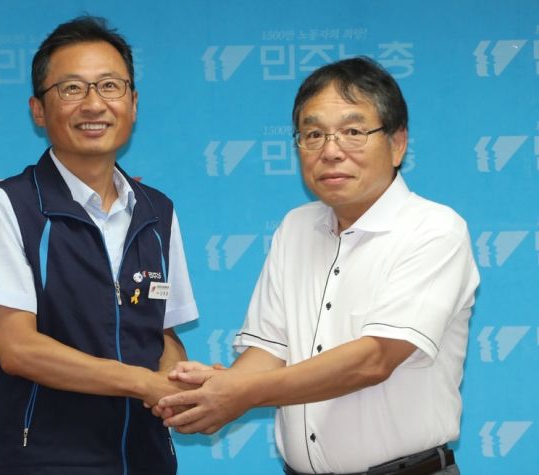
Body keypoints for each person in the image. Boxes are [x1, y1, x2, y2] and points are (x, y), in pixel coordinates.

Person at [157, 57, 479, 475]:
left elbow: (374, 359)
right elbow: (269, 350)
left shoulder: (433, 229)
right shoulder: (295, 228)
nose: (330, 151)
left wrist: (240, 392)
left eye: (353, 132)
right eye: (313, 135)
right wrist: (219, 391)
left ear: (397, 143)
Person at [0, 16, 198, 475]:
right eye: (72, 88)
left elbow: (164, 335)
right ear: (38, 109)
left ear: (133, 103)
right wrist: (142, 383)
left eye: (110, 86)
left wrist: (180, 385)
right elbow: (18, 348)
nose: (94, 104)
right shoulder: (7, 206)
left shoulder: (158, 211)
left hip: (147, 460)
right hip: (46, 462)